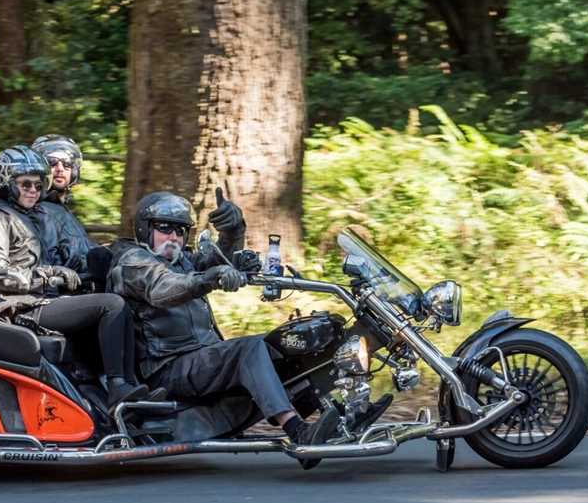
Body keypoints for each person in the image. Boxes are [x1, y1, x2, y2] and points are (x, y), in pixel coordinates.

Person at [108, 190, 383, 464]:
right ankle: (297, 431)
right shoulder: (133, 262)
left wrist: (232, 231)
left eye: (180, 231)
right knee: (248, 349)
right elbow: (165, 288)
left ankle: (345, 410)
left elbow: (216, 260)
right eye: (164, 228)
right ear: (145, 229)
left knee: (286, 344)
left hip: (201, 359)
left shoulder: (180, 260)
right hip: (168, 368)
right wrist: (209, 279)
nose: (174, 237)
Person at [0, 146, 150, 408]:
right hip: (24, 306)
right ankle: (117, 387)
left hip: (49, 299)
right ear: (6, 185)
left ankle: (130, 388)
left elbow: (65, 255)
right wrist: (48, 275)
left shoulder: (37, 217)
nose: (33, 190)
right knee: (110, 305)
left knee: (123, 302)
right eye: (25, 184)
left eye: (38, 184)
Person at [30, 134, 98, 273]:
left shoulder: (59, 209)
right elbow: (49, 262)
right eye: (52, 162)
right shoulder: (41, 210)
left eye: (67, 163)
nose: (60, 168)